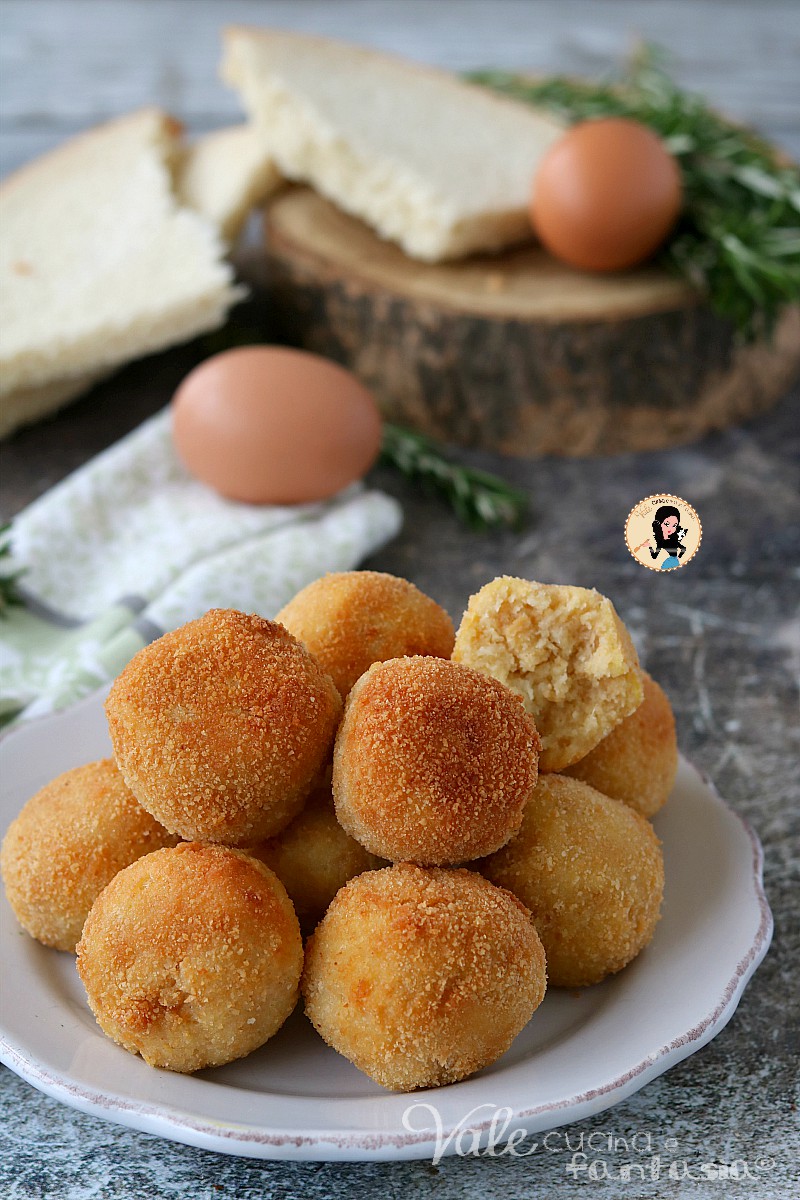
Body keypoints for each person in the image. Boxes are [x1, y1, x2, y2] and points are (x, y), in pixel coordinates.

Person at [634, 505, 686, 569]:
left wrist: (650, 547)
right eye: (667, 524)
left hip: (671, 562)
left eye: (674, 525)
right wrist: (650, 546)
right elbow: (654, 556)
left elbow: (654, 556)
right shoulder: (665, 541)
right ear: (659, 523)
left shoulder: (667, 541)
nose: (670, 528)